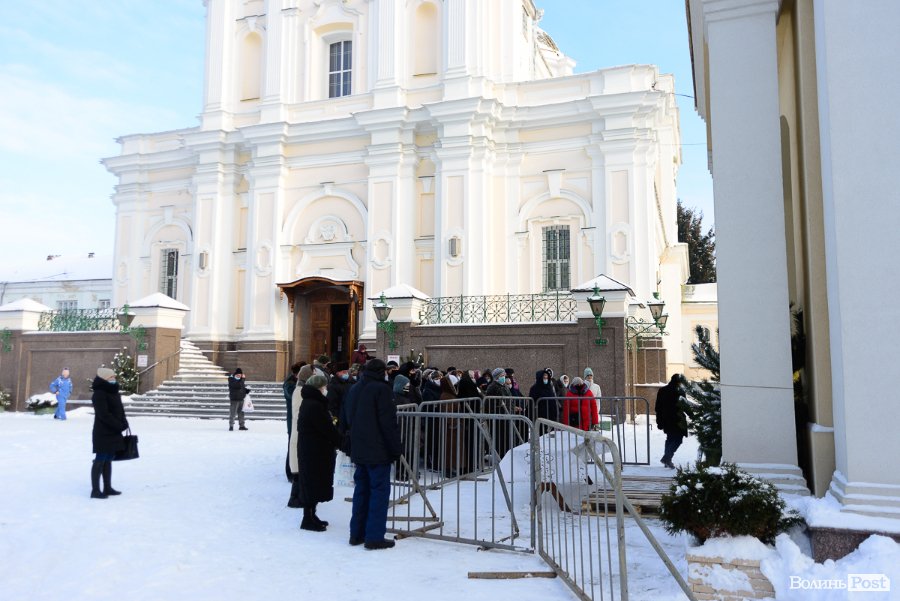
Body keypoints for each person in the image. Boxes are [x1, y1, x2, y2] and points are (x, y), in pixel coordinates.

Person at [347, 359, 401, 550]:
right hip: (378, 450)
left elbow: (348, 417)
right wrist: (395, 448)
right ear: (381, 372)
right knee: (379, 492)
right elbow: (388, 423)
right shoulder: (382, 389)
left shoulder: (355, 388)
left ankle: (357, 533)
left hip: (359, 448)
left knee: (361, 491)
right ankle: (374, 536)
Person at [297, 374, 341, 532]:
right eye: (324, 387)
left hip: (313, 449)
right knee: (312, 483)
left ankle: (311, 515)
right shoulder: (314, 404)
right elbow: (325, 428)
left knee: (313, 482)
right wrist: (340, 440)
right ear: (319, 388)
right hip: (313, 450)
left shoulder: (312, 402)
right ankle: (307, 518)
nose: (326, 389)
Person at [90, 367, 129, 499]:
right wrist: (118, 425)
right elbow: (103, 414)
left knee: (108, 459)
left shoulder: (114, 391)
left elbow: (120, 410)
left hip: (114, 431)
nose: (114, 379)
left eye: (114, 377)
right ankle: (95, 490)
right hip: (103, 432)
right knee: (100, 459)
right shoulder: (99, 393)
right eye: (111, 377)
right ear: (105, 378)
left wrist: (124, 422)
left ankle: (107, 487)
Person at [288, 364, 316, 507]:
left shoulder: (302, 389)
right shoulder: (300, 391)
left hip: (301, 433)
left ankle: (298, 497)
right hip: (300, 434)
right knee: (299, 468)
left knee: (301, 468)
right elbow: (301, 414)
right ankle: (295, 499)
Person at [655, 374, 688, 469]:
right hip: (677, 420)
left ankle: (667, 460)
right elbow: (685, 406)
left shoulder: (662, 390)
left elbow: (658, 407)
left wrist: (659, 421)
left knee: (670, 439)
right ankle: (667, 458)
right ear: (679, 382)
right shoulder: (680, 391)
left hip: (666, 419)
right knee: (678, 440)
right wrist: (693, 415)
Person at [282, 362, 303, 481]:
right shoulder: (290, 384)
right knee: (292, 445)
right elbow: (293, 395)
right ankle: (290, 472)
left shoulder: (296, 382)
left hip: (296, 418)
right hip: (292, 419)